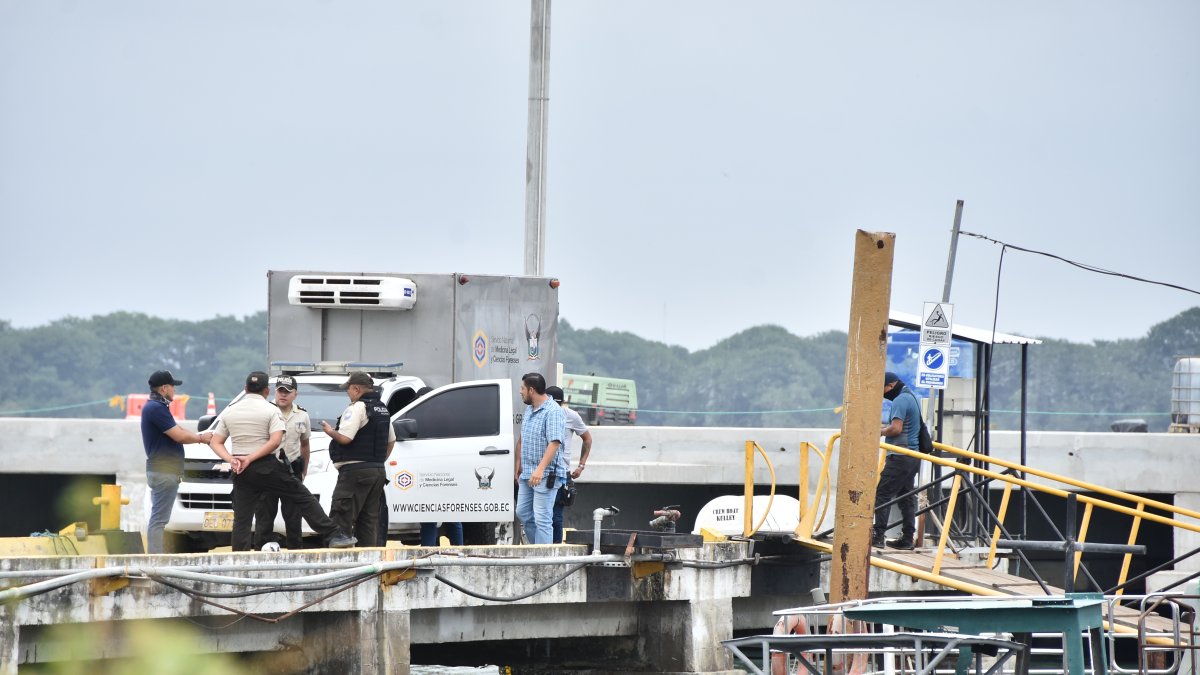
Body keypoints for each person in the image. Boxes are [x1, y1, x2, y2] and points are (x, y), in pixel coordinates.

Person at [210, 371, 354, 551]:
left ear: (245, 388)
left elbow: (215, 442)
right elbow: (275, 441)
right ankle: (334, 534)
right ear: (266, 391)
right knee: (303, 497)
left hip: (240, 470)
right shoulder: (271, 410)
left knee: (242, 519)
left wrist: (232, 459)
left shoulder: (230, 411)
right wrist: (251, 458)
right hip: (266, 467)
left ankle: (239, 556)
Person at [142, 370, 213, 554]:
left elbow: (178, 429)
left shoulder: (157, 407)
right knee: (159, 519)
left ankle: (155, 555)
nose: (175, 390)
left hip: (161, 470)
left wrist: (198, 436)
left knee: (158, 517)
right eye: (173, 386)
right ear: (164, 388)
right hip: (164, 471)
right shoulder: (156, 408)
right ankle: (155, 558)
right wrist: (201, 439)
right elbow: (179, 435)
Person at [321, 371, 393, 547]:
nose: (348, 393)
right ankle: (368, 559)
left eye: (348, 389)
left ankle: (341, 560)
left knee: (342, 516)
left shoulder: (357, 408)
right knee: (368, 521)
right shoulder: (382, 409)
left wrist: (330, 431)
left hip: (355, 473)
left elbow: (346, 438)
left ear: (356, 389)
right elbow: (392, 441)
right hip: (377, 472)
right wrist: (377, 461)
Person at [253, 376, 310, 550]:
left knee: (293, 517)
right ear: (274, 392)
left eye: (287, 392)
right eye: (280, 391)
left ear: (295, 394)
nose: (283, 395)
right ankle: (261, 551)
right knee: (264, 516)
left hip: (291, 470)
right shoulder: (265, 411)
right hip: (268, 470)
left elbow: (305, 445)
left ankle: (295, 553)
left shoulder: (302, 415)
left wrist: (304, 471)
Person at [872, 371, 923, 550]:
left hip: (900, 456)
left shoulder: (900, 400)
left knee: (882, 494)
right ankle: (907, 539)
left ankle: (878, 536)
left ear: (891, 385)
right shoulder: (912, 397)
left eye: (882, 389)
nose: (882, 393)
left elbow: (896, 429)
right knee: (906, 497)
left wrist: (878, 432)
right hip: (913, 456)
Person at [514, 372, 566, 545]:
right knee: (522, 512)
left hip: (546, 474)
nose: (520, 392)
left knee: (542, 517)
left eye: (522, 388)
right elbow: (522, 439)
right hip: (528, 473)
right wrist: (518, 466)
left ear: (531, 390)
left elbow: (554, 443)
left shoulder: (553, 411)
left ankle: (543, 557)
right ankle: (538, 548)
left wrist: (540, 469)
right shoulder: (529, 409)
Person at [414, 386, 464, 547]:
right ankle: (459, 551)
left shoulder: (426, 414)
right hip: (447, 468)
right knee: (451, 514)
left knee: (430, 516)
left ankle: (428, 551)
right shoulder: (448, 413)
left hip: (432, 469)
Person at [545, 386, 593, 544]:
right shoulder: (540, 414)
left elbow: (587, 439)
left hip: (561, 472)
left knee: (556, 517)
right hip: (542, 471)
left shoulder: (571, 416)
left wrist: (581, 466)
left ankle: (555, 549)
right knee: (540, 516)